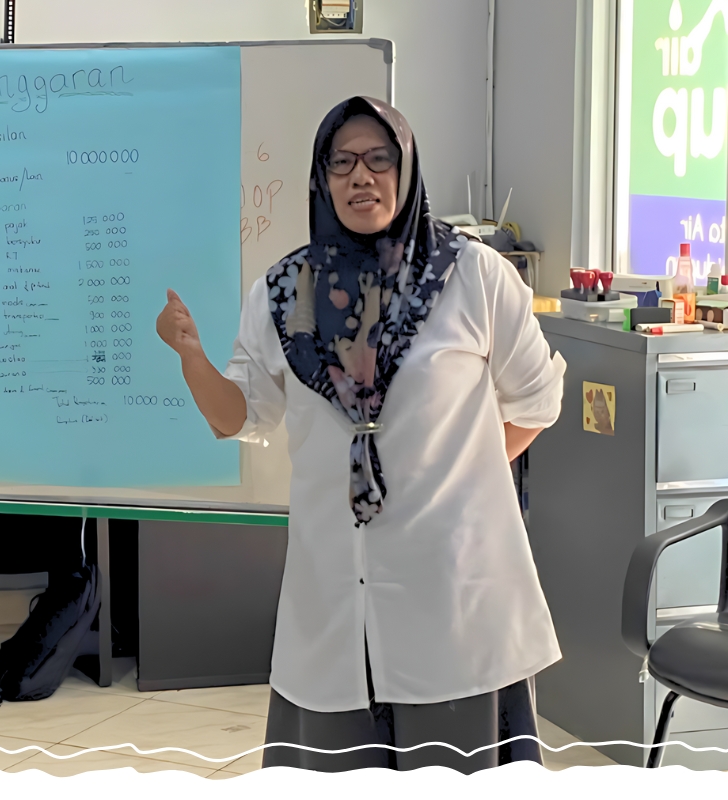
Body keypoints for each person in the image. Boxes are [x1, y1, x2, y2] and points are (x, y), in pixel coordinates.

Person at [155, 96, 566, 773]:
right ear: (321, 179)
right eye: (341, 162)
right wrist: (192, 357)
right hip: (334, 590)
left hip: (453, 590)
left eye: (380, 159)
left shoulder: (473, 276)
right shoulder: (285, 293)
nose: (361, 177)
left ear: (406, 173)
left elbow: (536, 400)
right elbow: (239, 417)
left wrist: (462, 475)